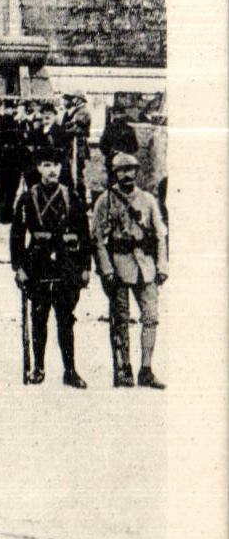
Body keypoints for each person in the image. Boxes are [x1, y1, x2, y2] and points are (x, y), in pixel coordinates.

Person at [10, 147, 91, 387]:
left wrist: (85, 266)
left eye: (56, 164)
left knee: (66, 319)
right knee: (39, 316)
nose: (52, 170)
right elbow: (17, 236)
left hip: (66, 264)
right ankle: (38, 368)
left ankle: (70, 370)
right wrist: (19, 267)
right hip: (38, 264)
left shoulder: (72, 196)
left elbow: (84, 234)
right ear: (38, 168)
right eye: (46, 164)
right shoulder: (27, 198)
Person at [91, 152, 168, 389]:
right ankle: (124, 368)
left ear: (136, 172)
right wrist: (106, 270)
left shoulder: (147, 199)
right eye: (121, 171)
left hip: (146, 266)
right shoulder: (106, 200)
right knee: (121, 319)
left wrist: (162, 265)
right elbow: (98, 239)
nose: (126, 175)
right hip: (119, 265)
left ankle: (146, 368)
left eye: (130, 170)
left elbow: (160, 234)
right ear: (115, 174)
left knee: (151, 318)